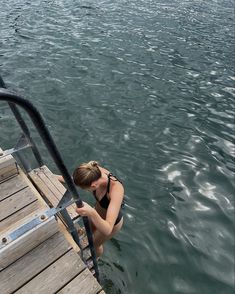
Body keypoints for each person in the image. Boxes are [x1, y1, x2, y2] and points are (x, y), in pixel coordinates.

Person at [59, 161, 124, 257]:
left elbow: (107, 229)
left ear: (93, 186)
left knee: (94, 245)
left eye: (86, 189)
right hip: (97, 212)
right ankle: (85, 233)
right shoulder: (93, 171)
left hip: (111, 224)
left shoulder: (116, 190)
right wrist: (56, 177)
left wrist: (91, 212)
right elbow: (77, 181)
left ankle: (95, 259)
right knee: (89, 231)